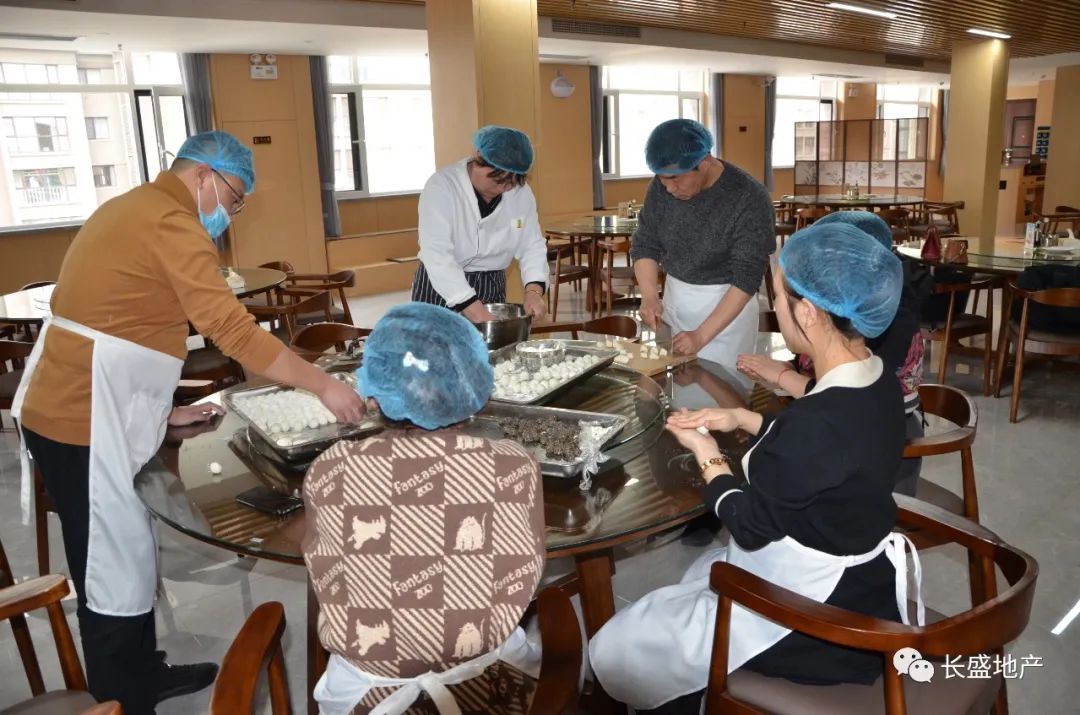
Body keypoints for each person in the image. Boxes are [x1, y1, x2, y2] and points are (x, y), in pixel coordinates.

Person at [12, 130, 365, 714]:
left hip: (94, 400)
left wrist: (161, 411)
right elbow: (231, 331)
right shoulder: (170, 222)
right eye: (234, 198)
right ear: (204, 175)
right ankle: (120, 699)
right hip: (84, 416)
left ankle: (143, 672)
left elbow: (124, 318)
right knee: (108, 562)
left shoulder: (135, 207)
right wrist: (322, 384)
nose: (231, 213)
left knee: (130, 549)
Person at [589, 223, 923, 713]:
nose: (776, 307)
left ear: (807, 313)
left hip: (820, 622)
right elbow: (829, 446)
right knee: (691, 586)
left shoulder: (816, 426)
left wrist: (707, 452)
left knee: (622, 646)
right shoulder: (878, 381)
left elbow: (747, 523)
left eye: (779, 298)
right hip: (864, 583)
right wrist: (744, 418)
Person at [304, 302, 547, 714]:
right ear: (477, 391)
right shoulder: (513, 465)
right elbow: (526, 567)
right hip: (489, 676)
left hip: (365, 690)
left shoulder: (331, 469)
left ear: (374, 396)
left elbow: (325, 566)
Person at [737, 210, 925, 494]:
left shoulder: (879, 325)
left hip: (887, 460)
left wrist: (712, 463)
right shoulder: (840, 322)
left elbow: (845, 403)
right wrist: (784, 371)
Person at [631, 119, 775, 373]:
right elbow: (646, 242)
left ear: (705, 162)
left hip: (726, 312)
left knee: (722, 387)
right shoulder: (662, 188)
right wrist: (650, 296)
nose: (669, 188)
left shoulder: (749, 197)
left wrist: (700, 335)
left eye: (675, 179)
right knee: (676, 383)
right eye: (662, 180)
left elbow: (746, 277)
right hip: (676, 300)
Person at [411, 125, 548, 323]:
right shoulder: (442, 186)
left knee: (489, 343)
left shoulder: (521, 193)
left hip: (491, 283)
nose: (502, 188)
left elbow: (531, 245)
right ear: (478, 160)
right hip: (441, 283)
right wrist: (475, 310)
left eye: (510, 183)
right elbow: (437, 253)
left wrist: (533, 291)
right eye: (497, 181)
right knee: (434, 341)